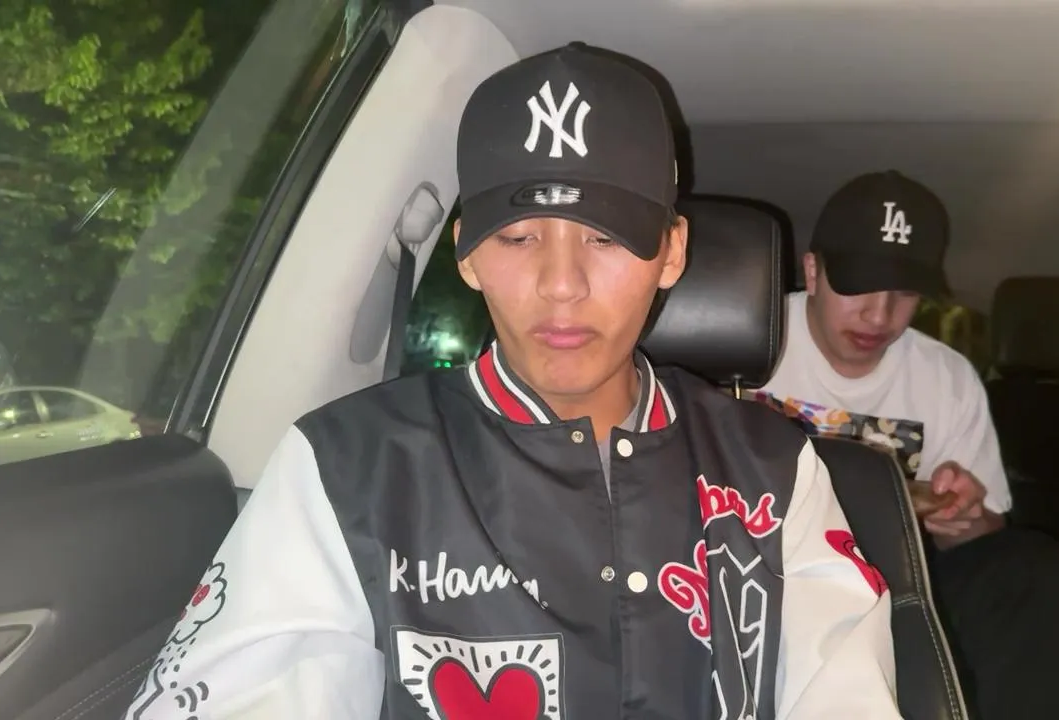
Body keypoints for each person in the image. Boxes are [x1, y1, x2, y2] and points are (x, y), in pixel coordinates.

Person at [121, 44, 902, 720]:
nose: (561, 283)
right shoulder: (348, 468)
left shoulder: (773, 469)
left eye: (604, 238)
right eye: (519, 236)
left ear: (670, 251)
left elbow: (845, 694)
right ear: (466, 254)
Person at [753, 171, 1059, 720]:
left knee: (1032, 566)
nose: (879, 315)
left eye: (905, 293)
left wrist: (966, 519)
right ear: (813, 272)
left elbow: (984, 536)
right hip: (763, 569)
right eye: (859, 285)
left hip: (901, 579)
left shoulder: (945, 376)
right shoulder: (748, 338)